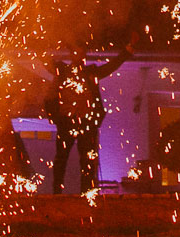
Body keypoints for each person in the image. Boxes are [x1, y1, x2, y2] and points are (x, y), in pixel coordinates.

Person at [45, 38, 133, 195]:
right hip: (67, 121)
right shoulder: (62, 70)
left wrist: (127, 50)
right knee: (61, 159)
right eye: (76, 53)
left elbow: (110, 67)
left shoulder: (91, 73)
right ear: (72, 55)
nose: (78, 56)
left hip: (86, 122)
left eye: (81, 53)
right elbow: (44, 61)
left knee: (87, 160)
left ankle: (86, 194)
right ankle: (56, 192)